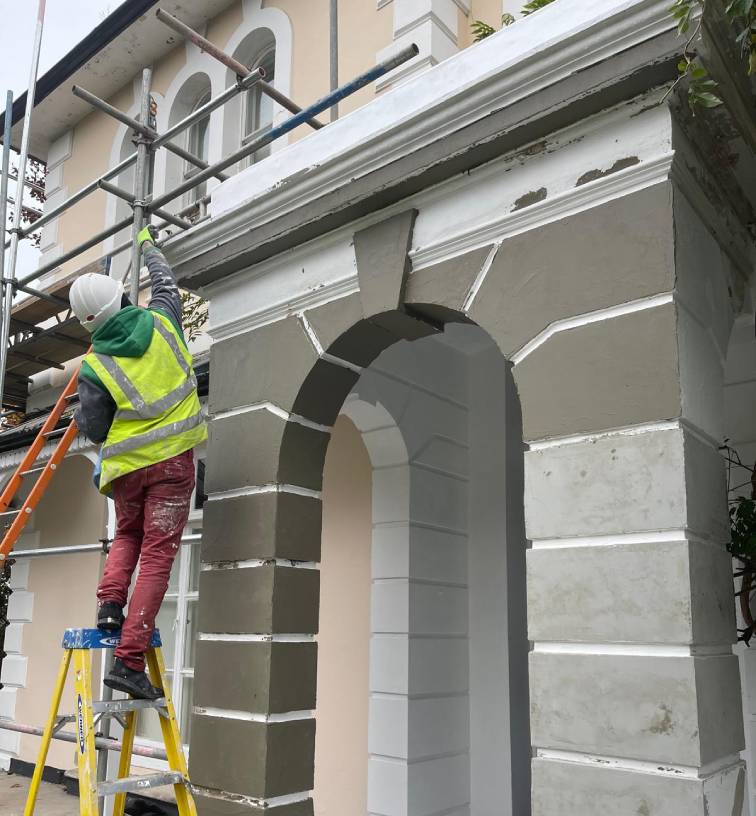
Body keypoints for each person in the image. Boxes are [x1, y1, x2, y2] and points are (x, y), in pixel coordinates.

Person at [70, 225, 207, 700]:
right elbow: (166, 283)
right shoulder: (164, 322)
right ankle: (128, 663)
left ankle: (110, 608)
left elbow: (94, 428)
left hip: (126, 470)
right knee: (157, 554)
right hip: (172, 465)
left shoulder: (94, 366)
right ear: (123, 299)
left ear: (90, 325)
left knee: (128, 535)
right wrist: (147, 241)